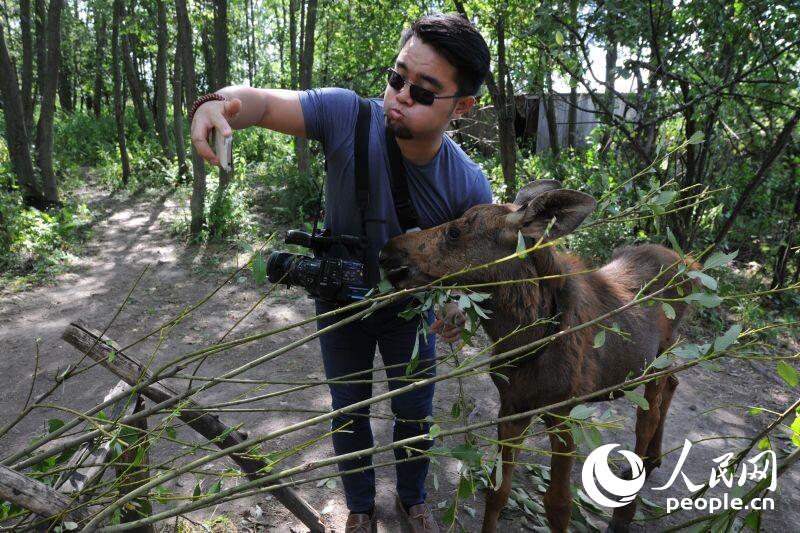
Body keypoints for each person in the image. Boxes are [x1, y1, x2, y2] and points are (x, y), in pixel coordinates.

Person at [190, 13, 492, 533]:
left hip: (410, 315)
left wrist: (453, 310)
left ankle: (412, 500)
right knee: (348, 409)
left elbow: (467, 281)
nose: (399, 96)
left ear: (461, 107)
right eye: (396, 78)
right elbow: (259, 103)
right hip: (339, 304)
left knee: (414, 415)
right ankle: (359, 509)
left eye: (423, 92)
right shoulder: (345, 116)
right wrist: (214, 103)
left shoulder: (468, 187)